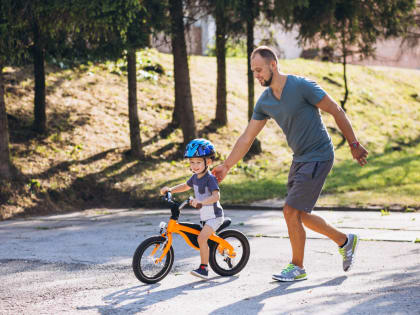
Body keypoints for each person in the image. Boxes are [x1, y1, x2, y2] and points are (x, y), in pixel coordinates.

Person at [212, 46, 369, 282]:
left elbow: (335, 110)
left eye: (259, 70)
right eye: (253, 71)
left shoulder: (301, 86)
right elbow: (247, 138)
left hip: (319, 154)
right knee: (299, 215)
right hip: (300, 158)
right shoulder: (265, 101)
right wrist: (226, 166)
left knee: (290, 211)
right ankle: (345, 241)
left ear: (273, 65)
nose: (257, 75)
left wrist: (354, 143)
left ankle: (297, 267)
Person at [160, 138, 224, 280]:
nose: (194, 166)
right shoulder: (195, 177)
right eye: (191, 162)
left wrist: (201, 201)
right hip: (205, 216)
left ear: (208, 162)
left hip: (215, 216)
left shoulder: (210, 179)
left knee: (201, 239)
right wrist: (170, 190)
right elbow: (185, 186)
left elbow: (216, 196)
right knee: (199, 236)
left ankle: (204, 269)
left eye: (198, 162)